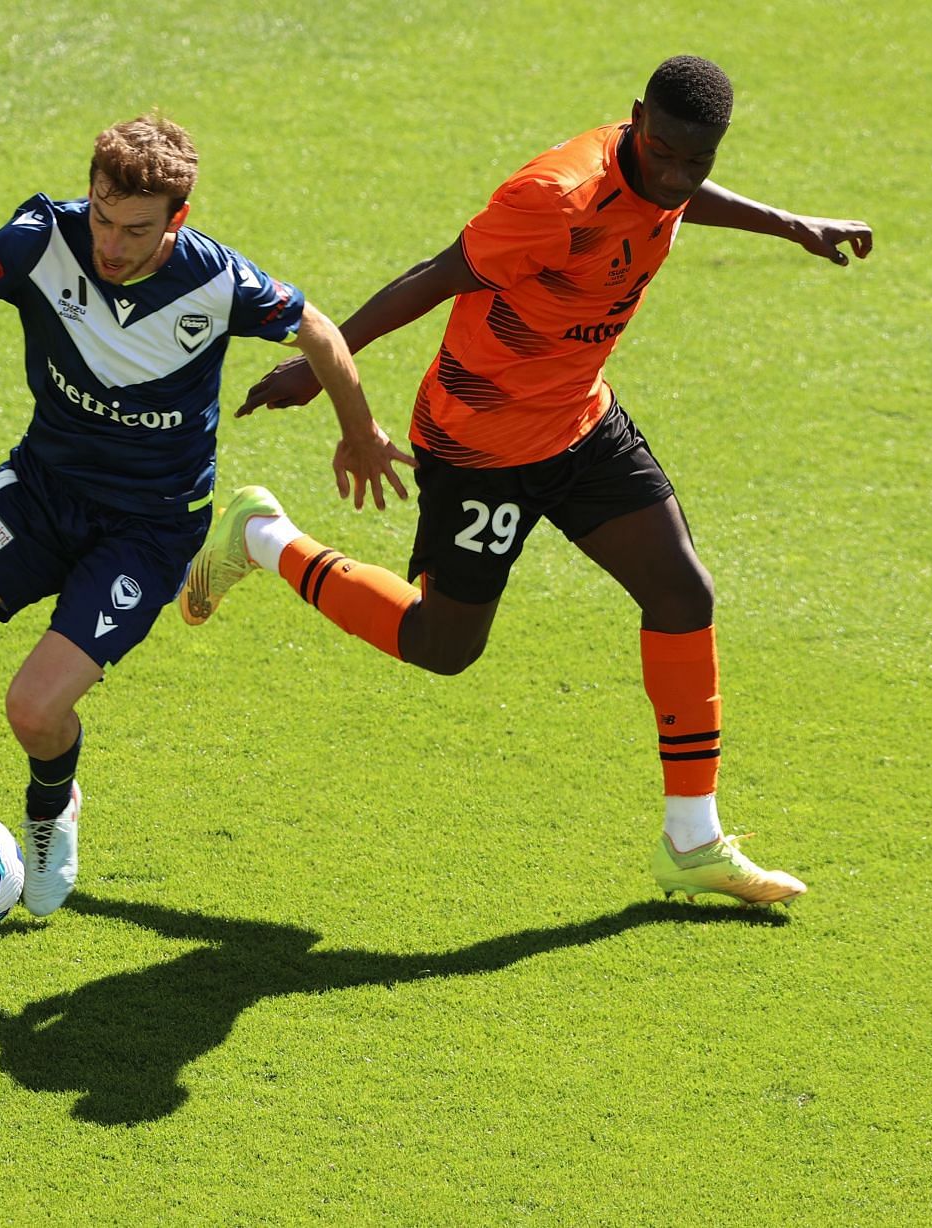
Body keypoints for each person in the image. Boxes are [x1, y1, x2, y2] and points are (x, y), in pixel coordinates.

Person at [178, 57, 873, 906]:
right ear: (633, 122)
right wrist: (323, 369)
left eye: (699, 162)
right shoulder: (556, 199)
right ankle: (262, 535)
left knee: (683, 592)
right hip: (483, 445)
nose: (678, 178)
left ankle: (691, 841)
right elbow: (435, 277)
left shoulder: (668, 173)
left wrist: (791, 223)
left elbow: (678, 195)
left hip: (581, 423)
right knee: (444, 646)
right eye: (664, 156)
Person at [0, 113, 410, 916]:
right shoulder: (44, 236)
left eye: (135, 229)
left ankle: (51, 810)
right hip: (40, 490)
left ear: (177, 219)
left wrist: (360, 432)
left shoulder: (218, 283)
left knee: (34, 711)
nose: (110, 243)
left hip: (148, 527)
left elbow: (316, 329)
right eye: (102, 216)